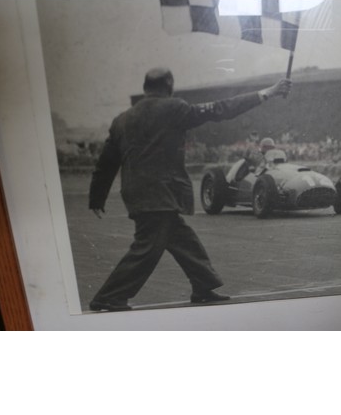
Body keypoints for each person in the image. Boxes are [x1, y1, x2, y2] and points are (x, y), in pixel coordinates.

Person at [88, 68, 292, 311]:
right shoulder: (174, 108)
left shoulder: (121, 119)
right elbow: (221, 109)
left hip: (138, 193)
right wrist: (267, 93)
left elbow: (106, 163)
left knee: (183, 240)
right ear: (170, 85)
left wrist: (96, 198)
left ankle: (203, 287)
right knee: (148, 247)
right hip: (161, 194)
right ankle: (108, 297)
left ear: (145, 88)